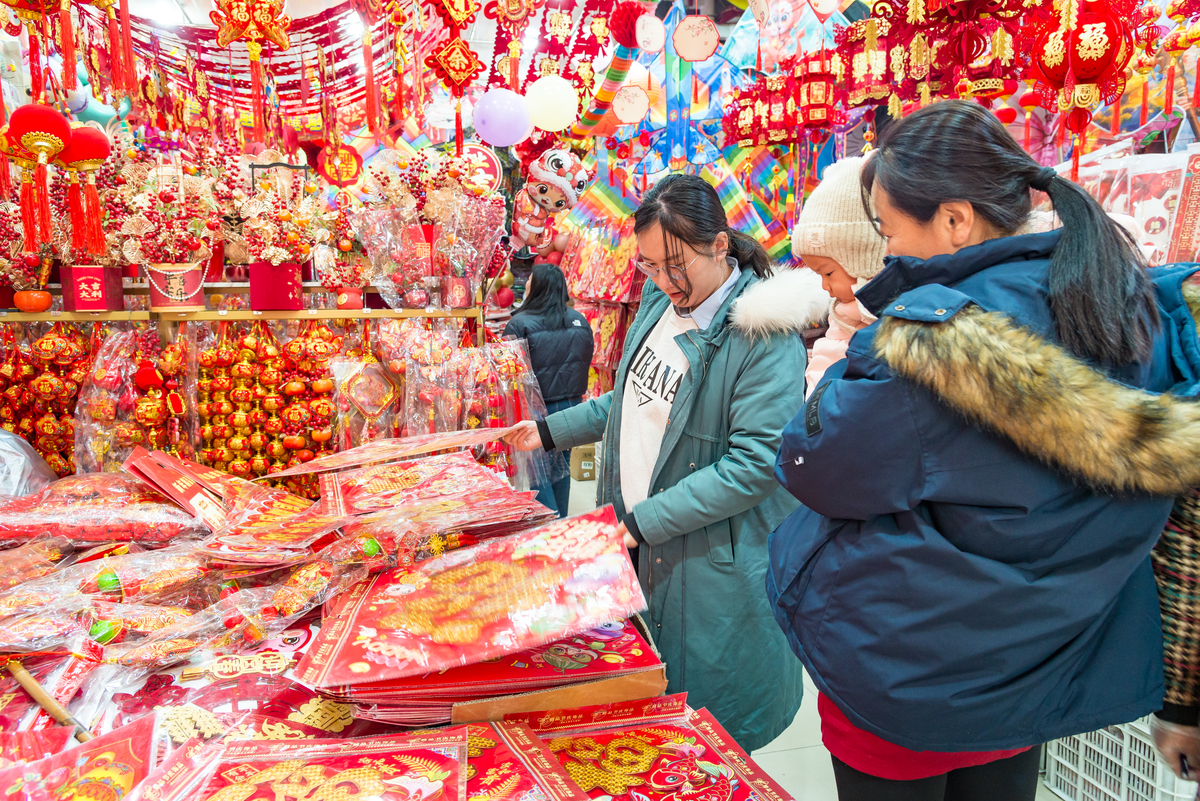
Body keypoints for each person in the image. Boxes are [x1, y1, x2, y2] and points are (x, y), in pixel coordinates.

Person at [767, 100, 1200, 801]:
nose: (886, 254)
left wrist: (846, 358)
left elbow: (812, 464)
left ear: (955, 218)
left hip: (908, 672)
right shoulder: (1131, 309)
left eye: (889, 229)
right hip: (1031, 671)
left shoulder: (926, 341)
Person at [505, 173, 827, 750]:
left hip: (708, 564)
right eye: (651, 266)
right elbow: (630, 399)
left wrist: (641, 524)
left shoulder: (763, 337)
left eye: (676, 265)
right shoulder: (659, 303)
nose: (665, 280)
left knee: (705, 735)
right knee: (644, 721)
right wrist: (549, 431)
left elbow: (754, 464)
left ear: (720, 246)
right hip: (637, 543)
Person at [790, 155, 888, 396]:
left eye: (828, 272)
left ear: (862, 256)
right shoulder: (844, 313)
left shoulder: (882, 316)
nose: (825, 286)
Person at [503, 262, 594, 517]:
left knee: (538, 473)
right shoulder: (579, 320)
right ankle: (560, 520)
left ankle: (548, 527)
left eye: (530, 280)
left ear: (537, 286)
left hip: (536, 410)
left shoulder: (519, 323)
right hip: (573, 406)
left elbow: (507, 371)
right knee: (561, 469)